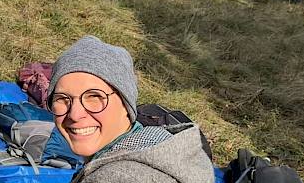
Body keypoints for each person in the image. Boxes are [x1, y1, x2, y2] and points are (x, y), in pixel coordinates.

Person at [47, 36, 214, 183]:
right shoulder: (165, 145)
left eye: (94, 97)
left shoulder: (116, 177)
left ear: (126, 104)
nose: (75, 114)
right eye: (62, 99)